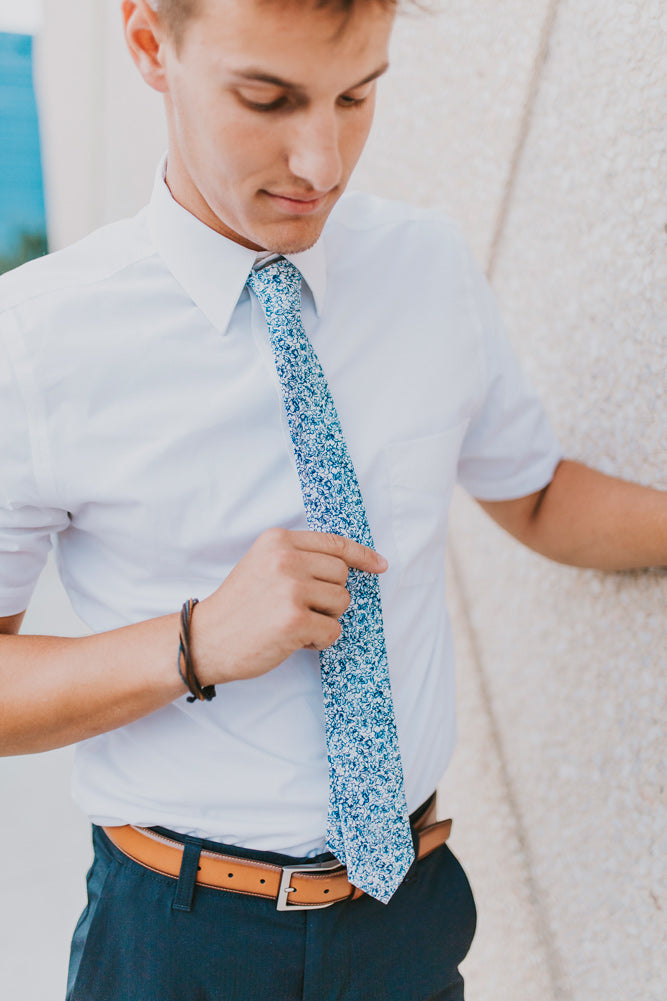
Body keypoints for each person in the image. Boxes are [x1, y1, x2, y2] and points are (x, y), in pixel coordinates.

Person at [0, 0, 665, 998]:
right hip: (175, 941)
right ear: (149, 45)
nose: (323, 162)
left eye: (358, 95)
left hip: (410, 915)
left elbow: (535, 496)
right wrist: (194, 640)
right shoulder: (38, 340)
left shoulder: (426, 265)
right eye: (266, 99)